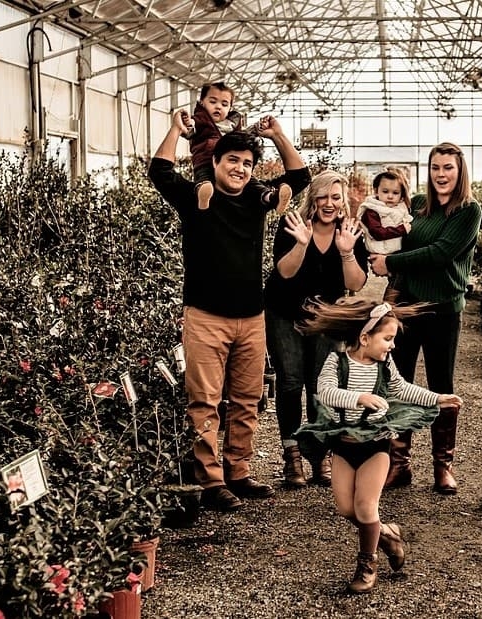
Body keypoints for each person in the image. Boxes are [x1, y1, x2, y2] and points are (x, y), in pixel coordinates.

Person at [148, 112, 310, 512]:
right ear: (215, 163)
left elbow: (301, 178)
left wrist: (278, 135)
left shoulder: (257, 199)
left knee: (247, 398)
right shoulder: (195, 198)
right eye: (232, 160)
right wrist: (175, 130)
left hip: (251, 317)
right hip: (205, 316)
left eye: (247, 163)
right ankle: (210, 479)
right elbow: (160, 172)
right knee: (204, 400)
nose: (240, 168)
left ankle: (239, 470)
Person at [292, 298, 464, 593]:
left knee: (366, 508)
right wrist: (359, 398)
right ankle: (386, 534)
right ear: (364, 338)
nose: (392, 346)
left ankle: (367, 562)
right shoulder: (337, 361)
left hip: (376, 445)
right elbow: (326, 392)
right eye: (387, 339)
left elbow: (402, 388)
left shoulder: (385, 366)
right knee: (347, 509)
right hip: (344, 445)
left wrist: (438, 397)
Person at [368, 143, 482, 495]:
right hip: (406, 309)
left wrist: (392, 264)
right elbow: (390, 235)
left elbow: (440, 253)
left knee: (440, 385)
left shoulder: (468, 211)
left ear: (460, 171)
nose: (441, 174)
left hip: (443, 309)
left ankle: (442, 465)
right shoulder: (417, 205)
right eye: (435, 167)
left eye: (448, 167)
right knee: (397, 379)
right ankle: (398, 463)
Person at [264, 170, 370, 488]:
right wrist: (302, 243)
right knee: (290, 383)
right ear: (313, 198)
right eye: (322, 196)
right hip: (285, 314)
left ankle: (319, 455)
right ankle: (292, 455)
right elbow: (283, 272)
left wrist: (347, 250)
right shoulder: (293, 225)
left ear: (343, 200)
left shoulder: (350, 231)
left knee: (320, 388)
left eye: (335, 197)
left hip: (327, 319)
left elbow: (357, 283)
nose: (328, 203)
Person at [180, 82, 292, 213]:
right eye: (213, 102)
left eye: (224, 104)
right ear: (202, 103)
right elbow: (188, 131)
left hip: (229, 161)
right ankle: (204, 195)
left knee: (251, 182)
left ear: (230, 107)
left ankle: (271, 198)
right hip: (205, 161)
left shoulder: (231, 123)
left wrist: (257, 128)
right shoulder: (200, 120)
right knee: (204, 180)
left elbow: (242, 137)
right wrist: (187, 123)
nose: (218, 107)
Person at [356, 168, 413, 256]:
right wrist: (402, 229)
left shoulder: (400, 209)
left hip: (396, 253)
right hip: (378, 253)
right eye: (385, 192)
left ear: (401, 195)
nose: (390, 196)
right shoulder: (372, 210)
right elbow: (377, 233)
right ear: (376, 191)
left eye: (395, 193)